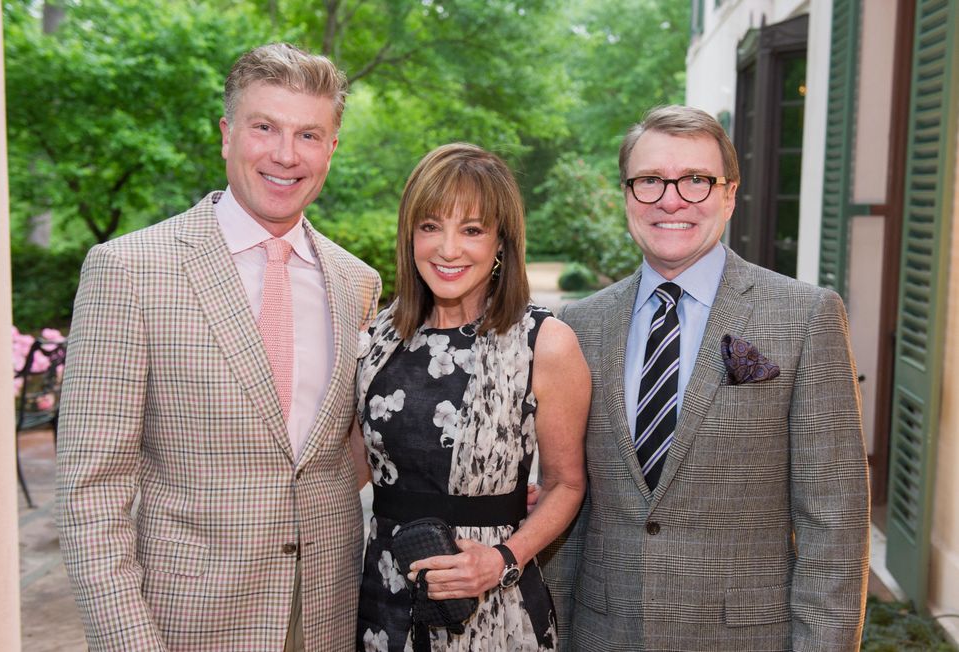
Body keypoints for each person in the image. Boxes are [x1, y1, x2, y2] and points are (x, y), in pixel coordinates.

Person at [55, 43, 381, 651]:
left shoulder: (355, 282)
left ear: (331, 149)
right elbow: (90, 488)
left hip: (327, 617)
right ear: (227, 134)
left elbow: (342, 452)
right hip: (187, 622)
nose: (286, 155)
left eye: (309, 134)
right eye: (265, 127)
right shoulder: (129, 270)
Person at [539, 105, 870, 651]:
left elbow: (833, 522)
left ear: (729, 194)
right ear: (626, 194)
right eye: (650, 181)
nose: (671, 199)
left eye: (695, 180)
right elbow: (570, 506)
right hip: (606, 634)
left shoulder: (805, 316)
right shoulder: (578, 327)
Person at [352, 142, 591, 651]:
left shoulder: (543, 343)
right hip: (382, 599)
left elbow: (566, 484)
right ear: (410, 235)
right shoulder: (375, 339)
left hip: (491, 604)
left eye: (473, 230)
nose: (448, 249)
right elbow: (351, 467)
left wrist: (504, 559)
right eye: (430, 226)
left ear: (502, 241)